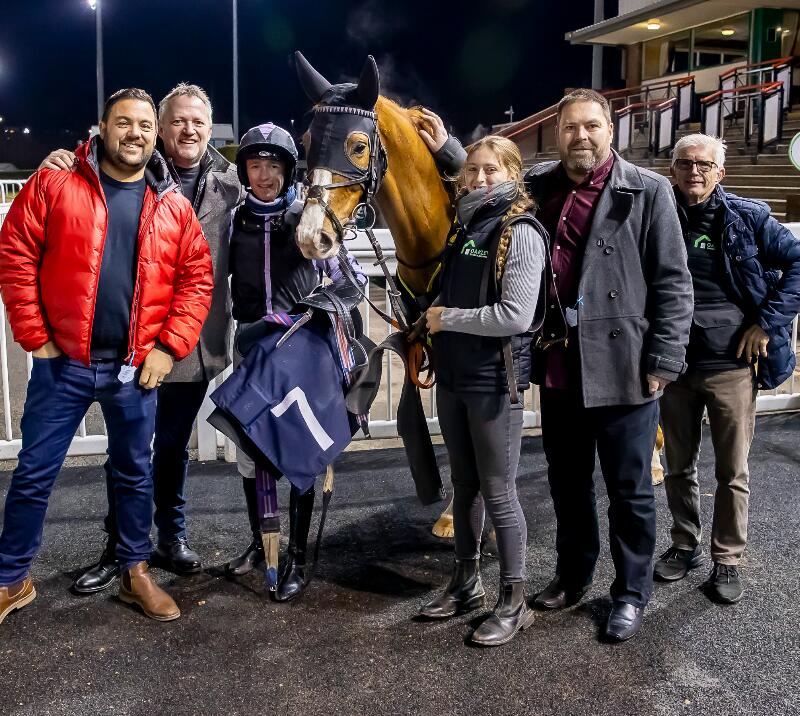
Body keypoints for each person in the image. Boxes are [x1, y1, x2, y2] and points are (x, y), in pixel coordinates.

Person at [0, 88, 213, 625]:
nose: (135, 133)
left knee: (134, 474)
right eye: (124, 123)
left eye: (144, 125)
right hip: (63, 364)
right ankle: (11, 578)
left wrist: (168, 347)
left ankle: (133, 571)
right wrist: (37, 337)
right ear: (102, 127)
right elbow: (16, 254)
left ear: (153, 133)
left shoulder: (172, 204)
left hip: (133, 369)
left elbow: (196, 280)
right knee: (33, 474)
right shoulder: (54, 183)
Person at [40, 84, 243, 592]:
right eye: (177, 121)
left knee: (172, 447)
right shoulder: (136, 170)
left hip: (194, 342)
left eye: (198, 120)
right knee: (129, 452)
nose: (188, 129)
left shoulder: (232, 183)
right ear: (160, 127)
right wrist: (59, 162)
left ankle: (170, 536)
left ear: (209, 126)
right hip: (137, 340)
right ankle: (119, 546)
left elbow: (278, 210)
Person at [526, 89, 693, 642]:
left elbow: (673, 281)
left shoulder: (647, 192)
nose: (582, 136)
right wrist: (449, 148)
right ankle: (572, 577)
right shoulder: (539, 187)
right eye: (571, 127)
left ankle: (629, 592)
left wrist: (665, 359)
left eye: (592, 126)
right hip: (559, 365)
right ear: (558, 133)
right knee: (567, 483)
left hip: (625, 367)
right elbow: (483, 174)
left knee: (630, 490)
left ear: (610, 130)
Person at [654, 133, 800, 603]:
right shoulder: (657, 214)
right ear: (670, 170)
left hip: (731, 365)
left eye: (702, 164)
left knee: (731, 471)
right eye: (683, 164)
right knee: (677, 465)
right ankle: (683, 543)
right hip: (675, 364)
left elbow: (798, 263)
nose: (692, 172)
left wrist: (766, 321)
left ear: (721, 172)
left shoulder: (749, 216)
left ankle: (727, 558)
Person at [225, 123, 366, 601]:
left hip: (299, 358)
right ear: (245, 169)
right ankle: (259, 543)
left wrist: (310, 314)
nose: (264, 175)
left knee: (299, 455)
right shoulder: (233, 220)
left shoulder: (308, 219)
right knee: (251, 457)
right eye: (255, 165)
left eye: (274, 166)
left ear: (289, 171)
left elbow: (354, 283)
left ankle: (299, 559)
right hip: (251, 353)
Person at [417, 135, 546, 647]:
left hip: (496, 382)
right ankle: (466, 584)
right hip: (454, 379)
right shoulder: (466, 223)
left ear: (512, 174)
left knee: (499, 492)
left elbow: (514, 315)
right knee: (465, 487)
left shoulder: (521, 232)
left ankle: (514, 601)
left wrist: (446, 318)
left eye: (491, 171)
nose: (479, 180)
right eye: (472, 170)